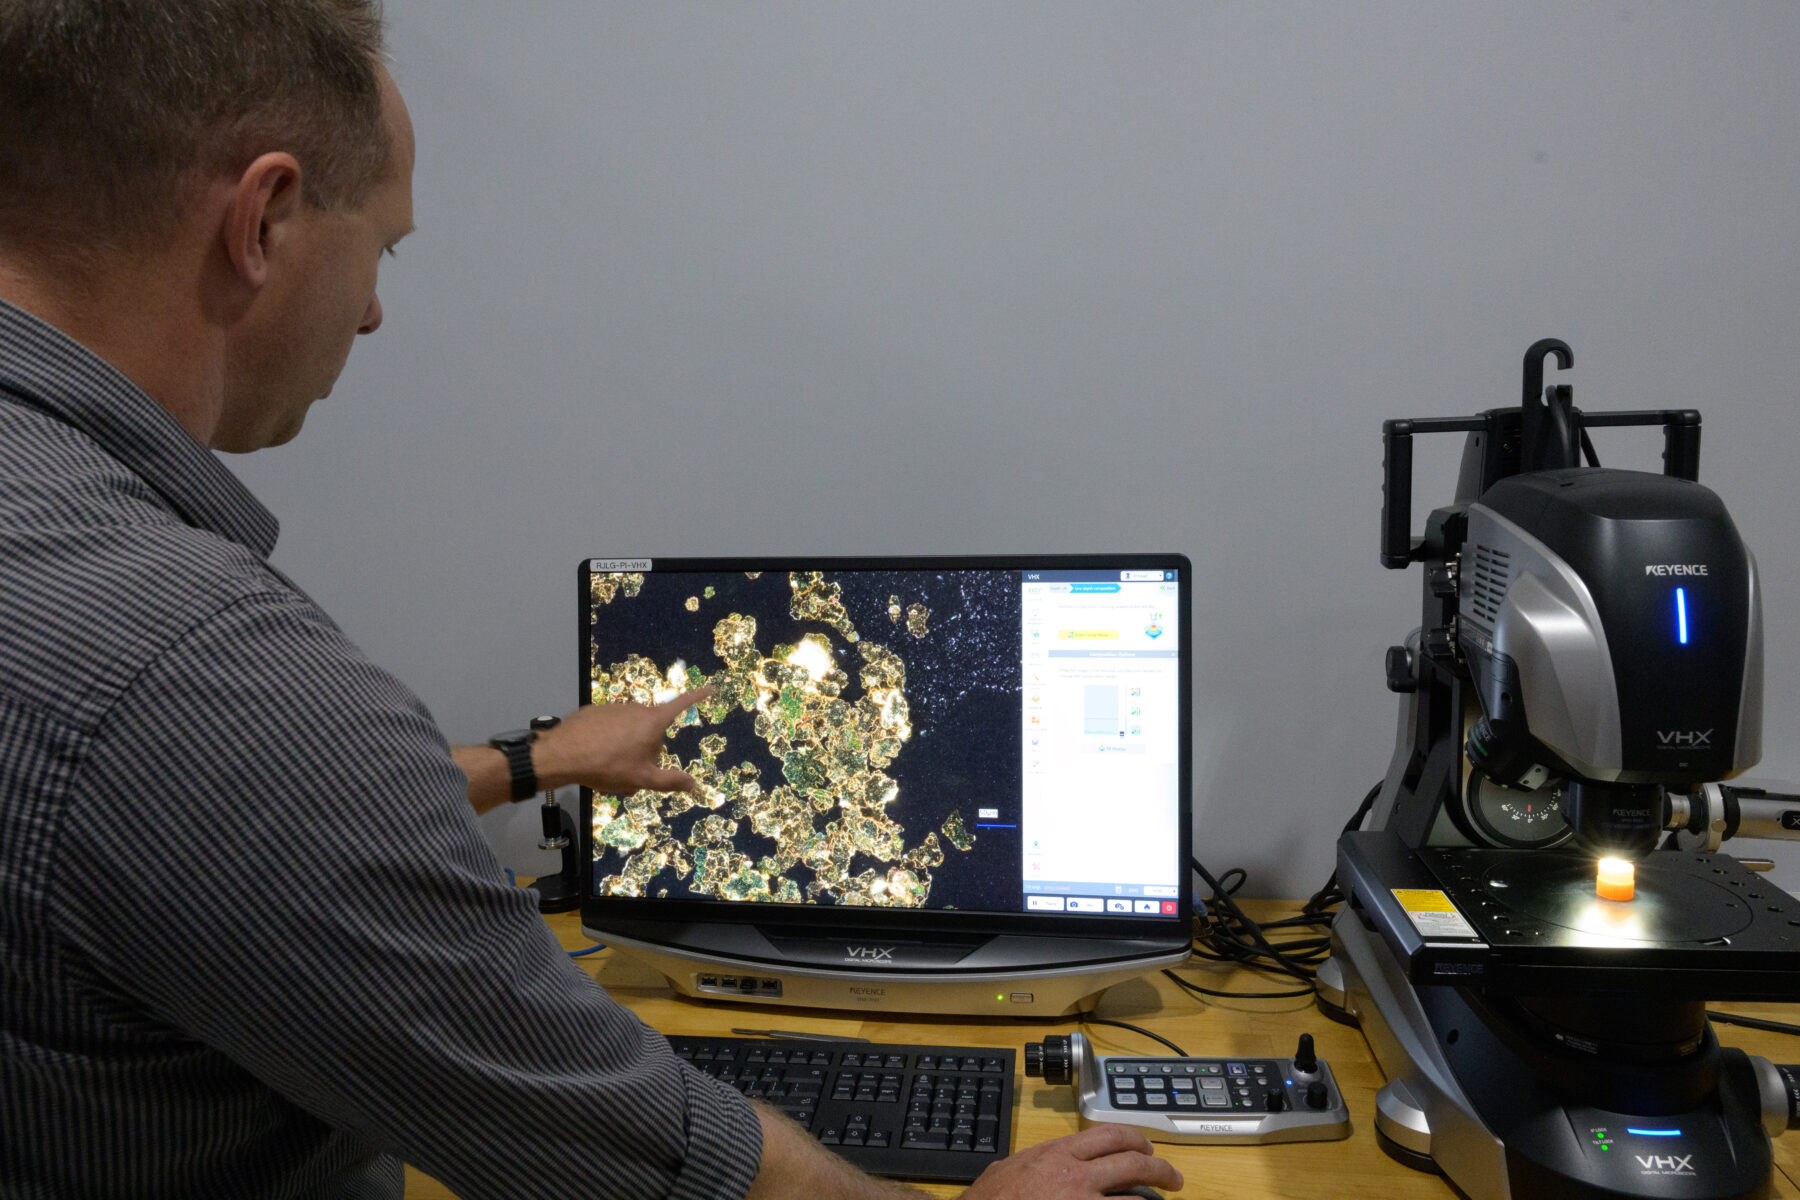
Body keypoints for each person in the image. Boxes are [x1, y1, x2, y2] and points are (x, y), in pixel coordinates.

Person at [0, 3, 1184, 1198]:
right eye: (382, 249)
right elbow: (643, 1157)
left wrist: (540, 757)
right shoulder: (199, 671)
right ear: (261, 219)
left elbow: (195, 830)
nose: (370, 311)